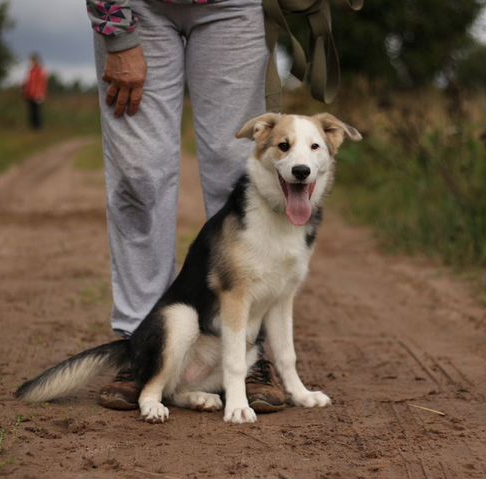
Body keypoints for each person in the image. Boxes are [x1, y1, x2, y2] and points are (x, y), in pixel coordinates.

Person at [86, 0, 286, 412]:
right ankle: (142, 346)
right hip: (137, 7)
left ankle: (247, 351)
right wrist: (116, 30)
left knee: (242, 177)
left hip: (233, 8)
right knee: (138, 175)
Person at [22, 53, 48, 130]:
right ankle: (33, 127)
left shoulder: (40, 71)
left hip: (38, 95)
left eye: (33, 61)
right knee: (31, 111)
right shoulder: (31, 71)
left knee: (37, 111)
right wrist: (24, 90)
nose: (32, 62)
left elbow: (43, 84)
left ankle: (38, 127)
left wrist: (41, 94)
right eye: (31, 61)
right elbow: (28, 83)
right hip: (30, 94)